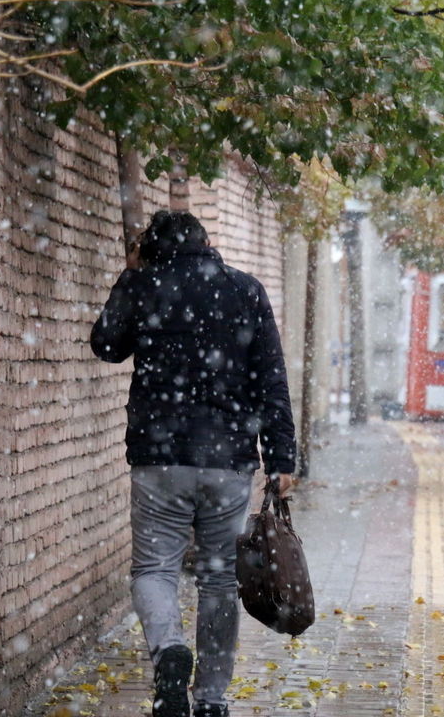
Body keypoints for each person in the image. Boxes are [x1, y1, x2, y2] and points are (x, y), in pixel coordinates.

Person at [90, 210, 296, 717]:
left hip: (159, 459)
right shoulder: (245, 290)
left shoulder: (145, 285)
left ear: (152, 249)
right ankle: (210, 699)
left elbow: (106, 346)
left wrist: (130, 272)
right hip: (228, 459)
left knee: (154, 570)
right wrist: (281, 458)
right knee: (220, 578)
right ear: (208, 242)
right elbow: (271, 378)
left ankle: (169, 653)